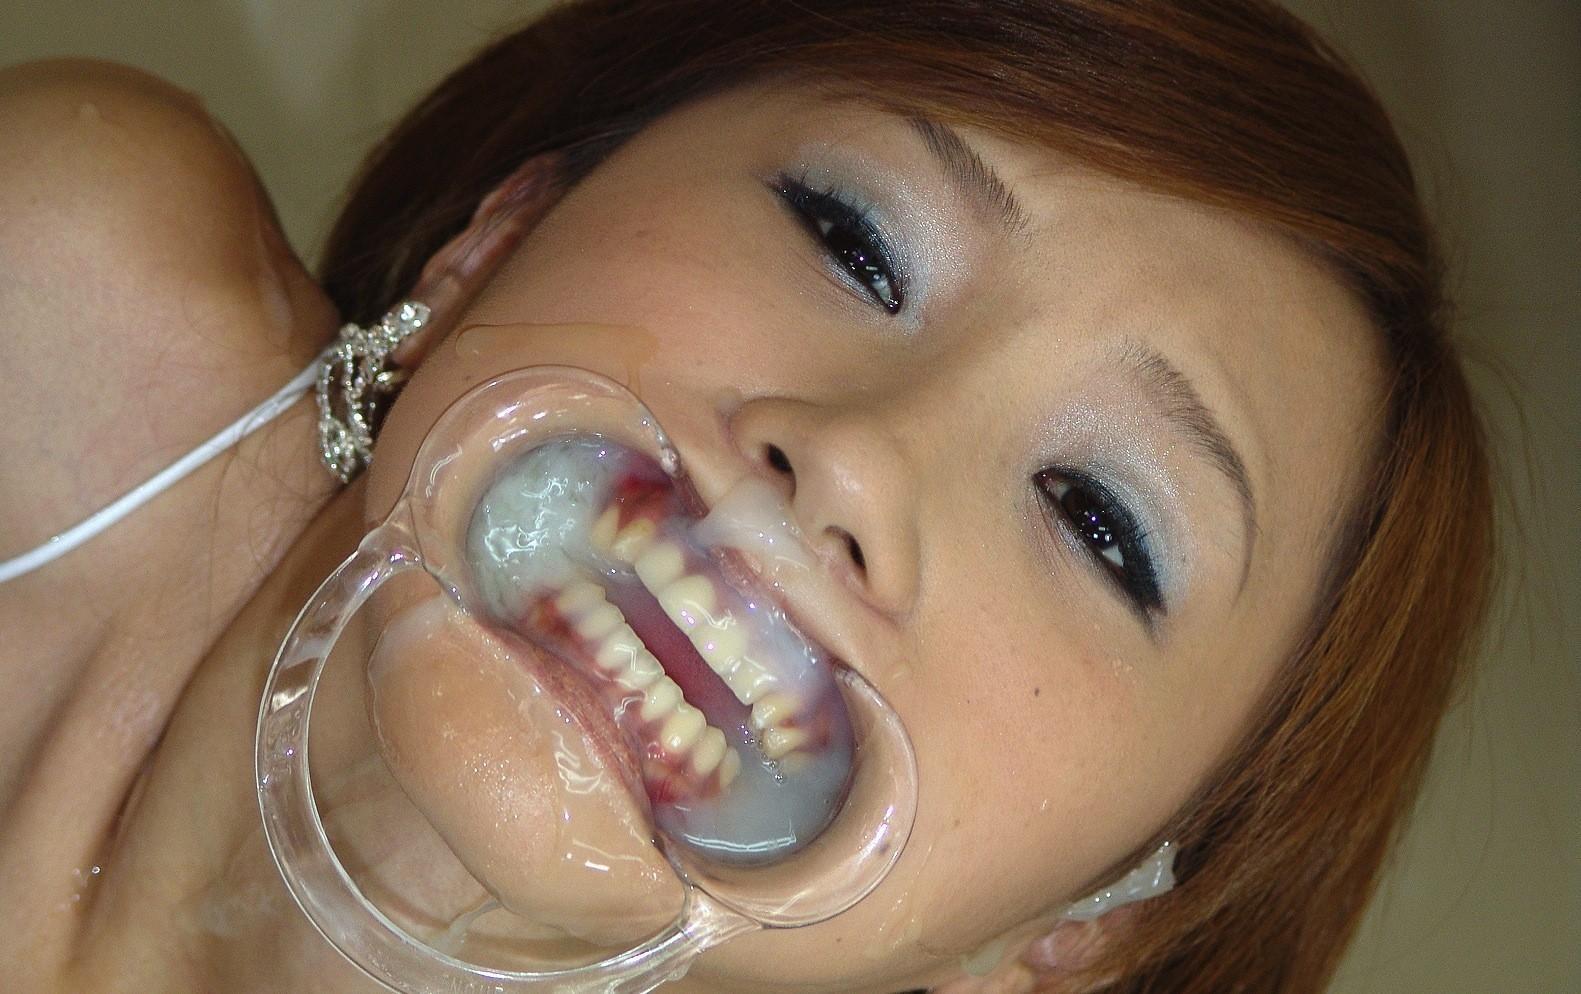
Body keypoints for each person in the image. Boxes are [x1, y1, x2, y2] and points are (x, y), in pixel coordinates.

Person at [0, 1, 1495, 991]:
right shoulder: (62, 295)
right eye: (850, 236)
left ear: (1079, 935)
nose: (861, 456)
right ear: (502, 233)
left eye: (1101, 524)